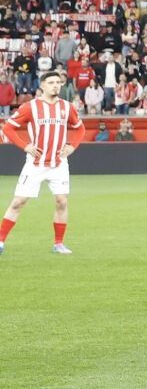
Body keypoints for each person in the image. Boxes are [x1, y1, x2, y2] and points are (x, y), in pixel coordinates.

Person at [1, 71, 84, 256]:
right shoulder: (30, 107)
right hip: (35, 164)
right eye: (51, 82)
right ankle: (0, 241)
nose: (55, 85)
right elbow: (8, 127)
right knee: (18, 202)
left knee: (62, 201)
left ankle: (59, 244)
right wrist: (25, 146)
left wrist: (72, 147)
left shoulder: (67, 107)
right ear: (42, 86)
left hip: (59, 163)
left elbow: (80, 129)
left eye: (58, 82)